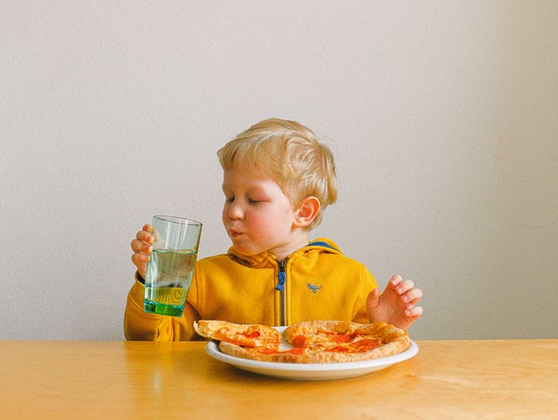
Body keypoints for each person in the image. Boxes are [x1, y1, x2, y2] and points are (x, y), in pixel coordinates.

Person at [124, 118, 423, 341]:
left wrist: (388, 329)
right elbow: (151, 345)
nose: (234, 211)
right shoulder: (204, 279)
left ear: (303, 212)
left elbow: (368, 356)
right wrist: (152, 281)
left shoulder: (352, 280)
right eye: (229, 197)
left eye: (254, 199)